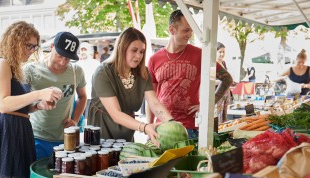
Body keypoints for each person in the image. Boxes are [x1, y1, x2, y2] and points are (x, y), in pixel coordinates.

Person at [0, 21, 63, 178]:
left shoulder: (15, 67)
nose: (32, 50)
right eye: (29, 45)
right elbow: (3, 104)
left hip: (18, 129)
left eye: (35, 46)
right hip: (7, 130)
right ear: (14, 41)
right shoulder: (2, 63)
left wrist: (38, 105)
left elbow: (18, 107)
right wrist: (39, 93)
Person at [147, 9, 233, 139]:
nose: (190, 34)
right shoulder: (154, 59)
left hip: (189, 128)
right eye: (186, 30)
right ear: (172, 30)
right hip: (162, 128)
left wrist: (208, 104)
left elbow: (227, 79)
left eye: (191, 30)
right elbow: (150, 98)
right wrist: (149, 126)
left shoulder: (200, 55)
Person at [87, 27, 174, 145]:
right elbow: (116, 114)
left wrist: (171, 123)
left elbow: (154, 103)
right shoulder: (103, 73)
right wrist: (145, 127)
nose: (138, 56)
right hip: (102, 138)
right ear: (122, 49)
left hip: (126, 136)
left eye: (141, 52)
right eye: (134, 50)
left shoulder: (143, 72)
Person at [23, 32, 87, 160]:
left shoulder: (76, 71)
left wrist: (75, 120)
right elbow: (21, 105)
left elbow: (83, 97)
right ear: (52, 47)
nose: (63, 62)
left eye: (68, 58)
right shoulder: (30, 70)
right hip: (37, 137)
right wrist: (38, 105)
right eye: (60, 56)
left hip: (66, 138)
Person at [77, 43, 100, 119]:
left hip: (92, 96)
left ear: (89, 51)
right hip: (79, 96)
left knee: (89, 118)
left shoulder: (96, 64)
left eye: (85, 49)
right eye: (81, 49)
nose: (83, 52)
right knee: (79, 118)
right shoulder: (77, 64)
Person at [215, 42, 232, 123]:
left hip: (226, 92)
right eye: (220, 52)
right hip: (218, 93)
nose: (222, 54)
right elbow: (210, 80)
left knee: (225, 113)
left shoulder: (224, 63)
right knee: (218, 114)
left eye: (223, 52)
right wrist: (221, 82)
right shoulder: (213, 64)